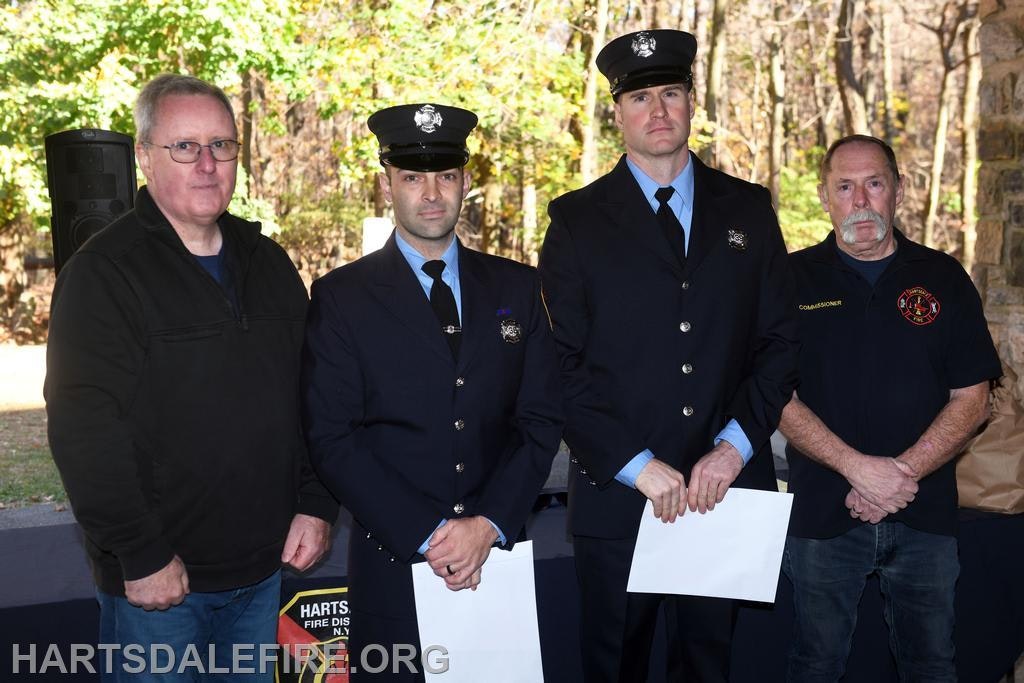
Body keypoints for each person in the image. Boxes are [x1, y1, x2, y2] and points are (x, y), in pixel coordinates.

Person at [45, 74, 337, 681]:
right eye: (185, 147)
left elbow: (313, 395)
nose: (207, 164)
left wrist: (316, 503)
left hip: (261, 574)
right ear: (145, 157)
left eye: (221, 145)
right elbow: (83, 428)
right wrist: (142, 553)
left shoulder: (271, 263)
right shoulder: (104, 273)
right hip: (160, 586)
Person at [538, 29, 799, 682]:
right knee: (614, 664)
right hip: (621, 497)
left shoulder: (749, 209)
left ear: (691, 103)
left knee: (706, 666)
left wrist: (736, 445)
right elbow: (558, 364)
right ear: (618, 112)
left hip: (724, 492)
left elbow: (781, 342)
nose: (658, 111)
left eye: (672, 93)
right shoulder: (576, 220)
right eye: (641, 97)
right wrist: (637, 465)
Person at [300, 102, 564, 681]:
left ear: (465, 181)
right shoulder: (343, 298)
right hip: (396, 563)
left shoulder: (517, 287)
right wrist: (432, 536)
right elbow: (332, 438)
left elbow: (540, 419)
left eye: (445, 175)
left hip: (497, 558)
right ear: (387, 183)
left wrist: (488, 523)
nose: (431, 193)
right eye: (413, 177)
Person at [779, 134, 1001, 681]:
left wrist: (900, 476)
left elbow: (973, 398)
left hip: (925, 515)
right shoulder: (788, 280)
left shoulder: (943, 277)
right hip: (824, 515)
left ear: (897, 191)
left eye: (874, 184)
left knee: (932, 665)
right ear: (823, 196)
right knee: (816, 665)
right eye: (845, 187)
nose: (860, 201)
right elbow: (775, 398)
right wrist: (860, 471)